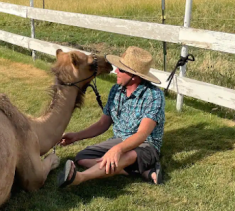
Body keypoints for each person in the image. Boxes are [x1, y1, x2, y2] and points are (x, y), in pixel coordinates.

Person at [57, 46, 165, 187]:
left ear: (134, 76)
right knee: (82, 158)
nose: (116, 71)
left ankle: (80, 178)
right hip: (119, 139)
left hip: (145, 145)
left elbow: (142, 135)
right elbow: (103, 124)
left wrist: (117, 150)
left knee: (127, 156)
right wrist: (76, 136)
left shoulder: (154, 95)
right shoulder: (116, 90)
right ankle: (141, 171)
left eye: (121, 69)